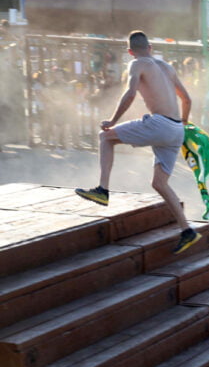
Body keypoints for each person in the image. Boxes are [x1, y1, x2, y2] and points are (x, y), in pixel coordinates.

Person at [75, 31, 198, 254]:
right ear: (150, 47)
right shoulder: (166, 67)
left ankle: (102, 189)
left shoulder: (137, 64)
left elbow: (130, 94)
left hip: (160, 124)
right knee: (159, 183)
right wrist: (185, 124)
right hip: (176, 129)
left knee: (105, 137)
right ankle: (187, 230)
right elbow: (187, 99)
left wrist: (112, 120)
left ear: (130, 52)